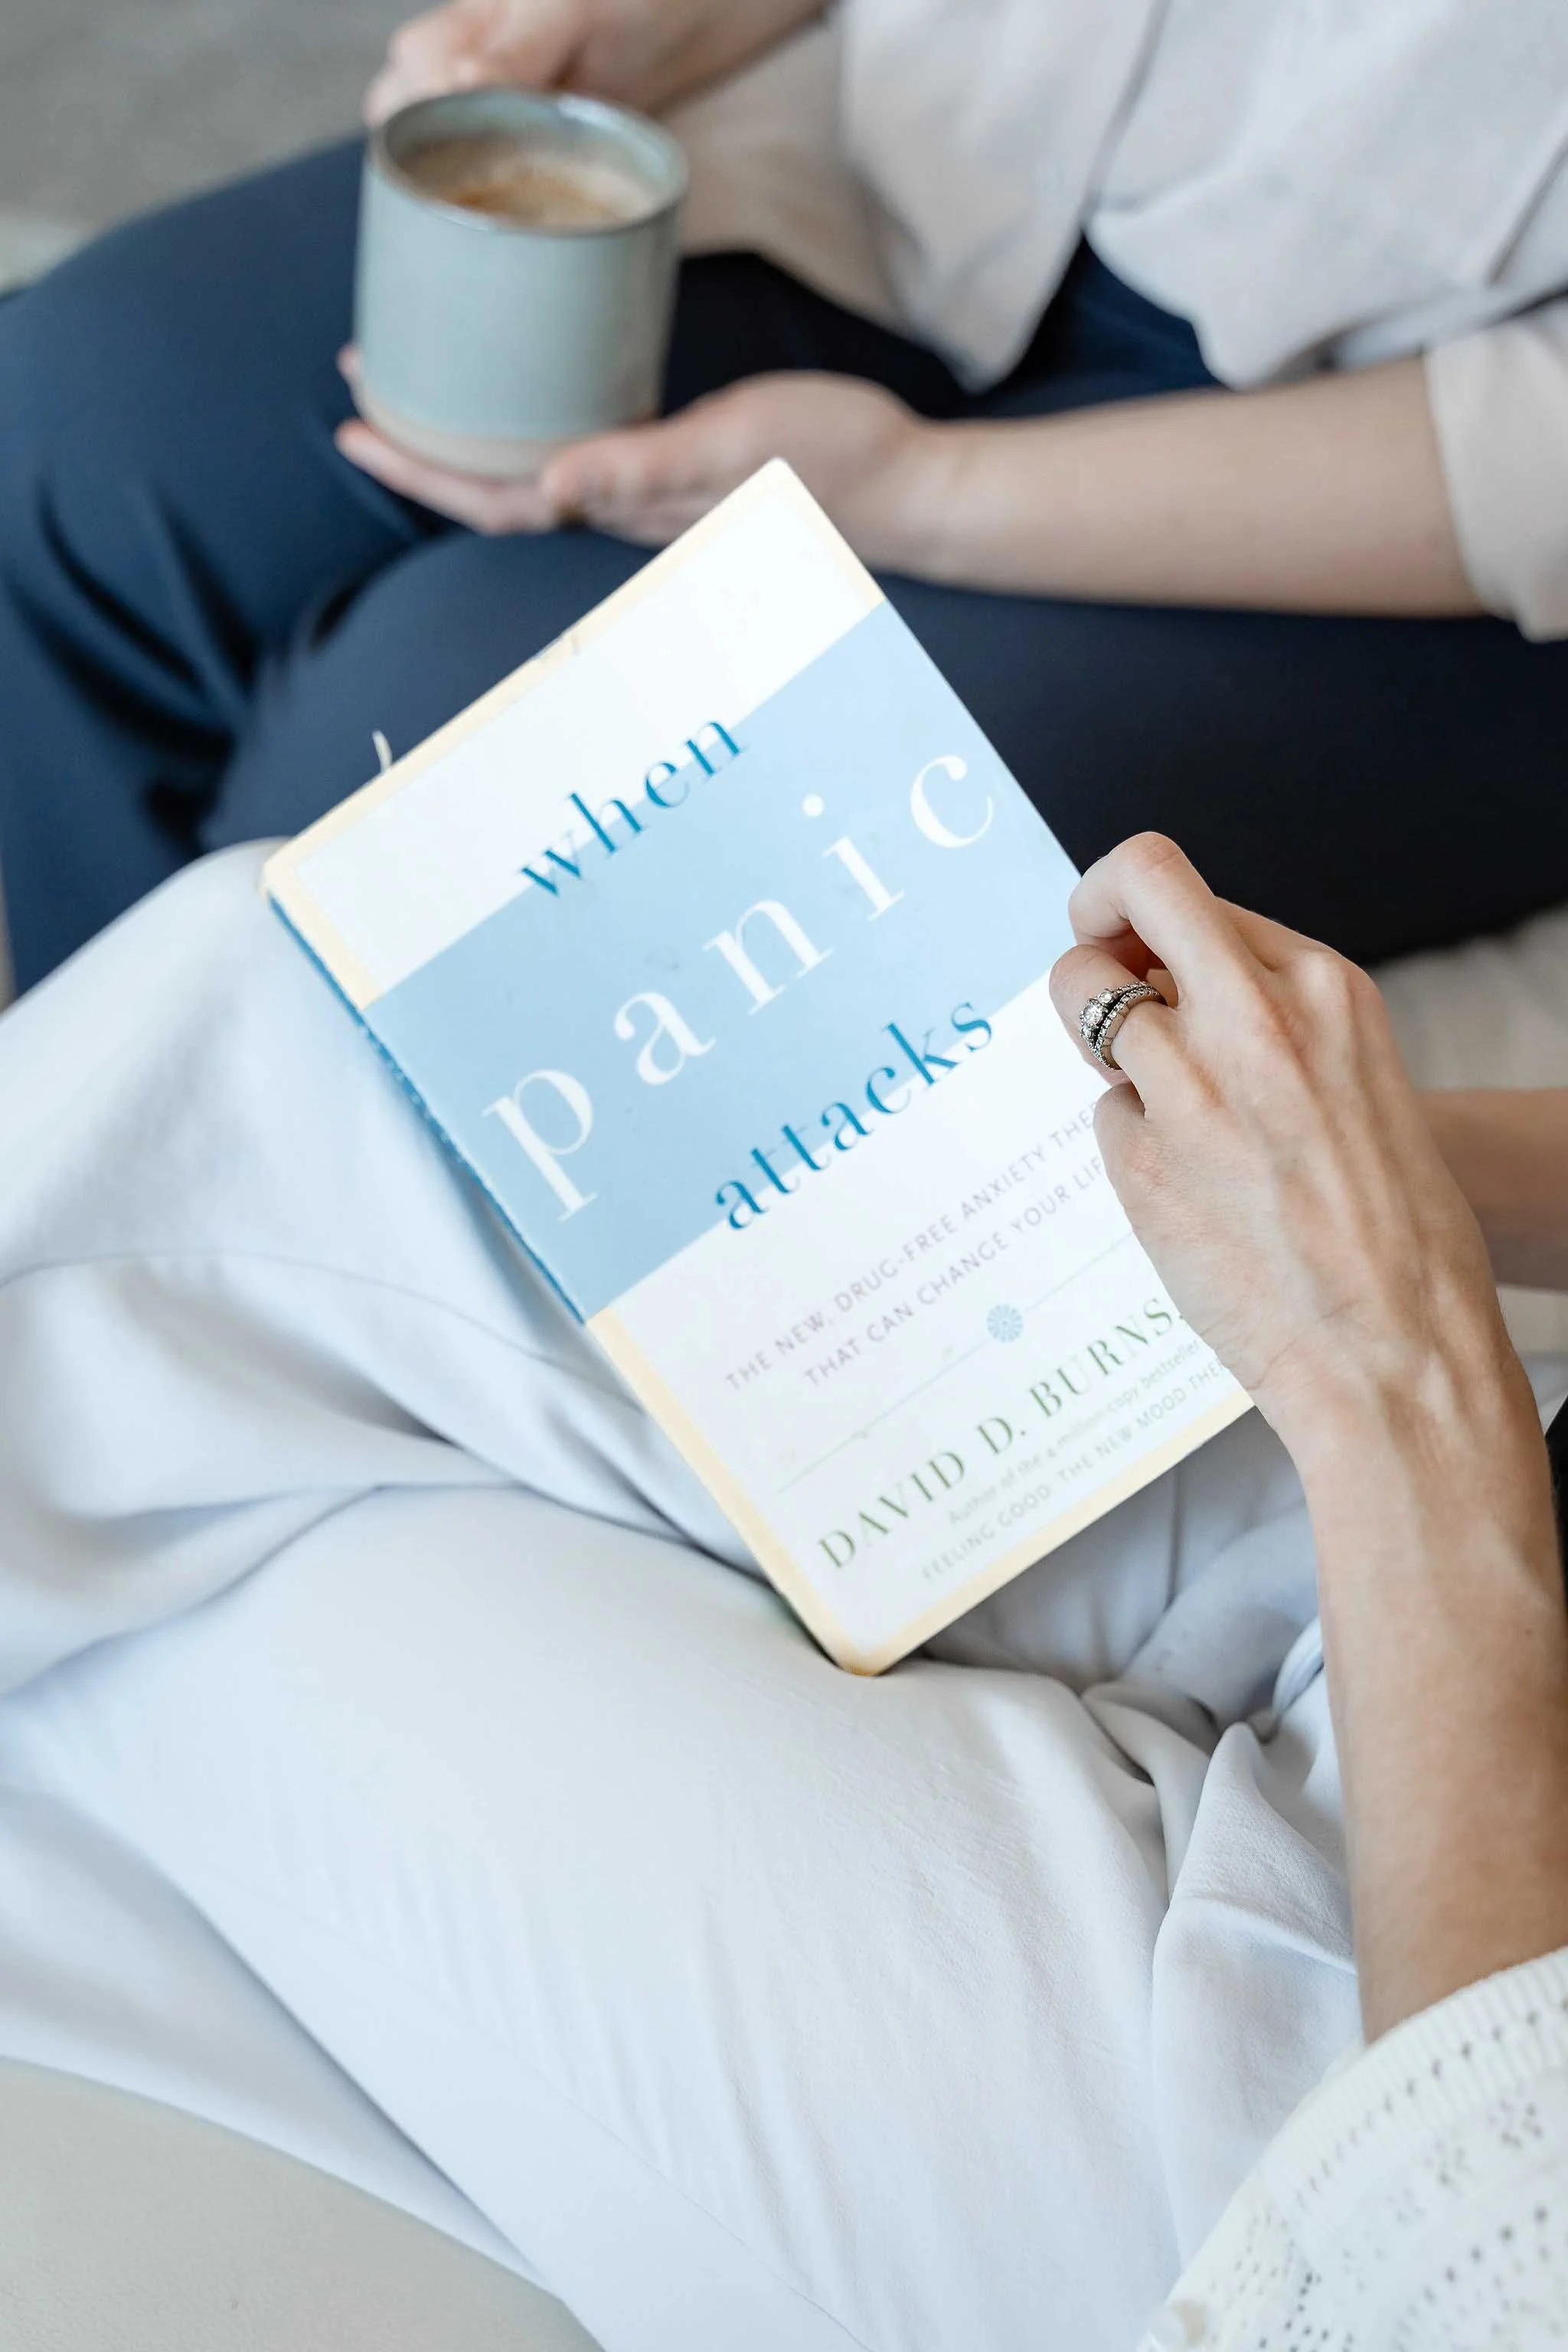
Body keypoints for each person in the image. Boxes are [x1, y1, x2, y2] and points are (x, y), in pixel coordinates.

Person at [2, 828, 1568, 2350]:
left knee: (246, 1604)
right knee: (316, 1058)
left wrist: (1390, 1367)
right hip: (1473, 1495)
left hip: (1398, 2146)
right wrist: (1359, 1181)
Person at [4, 0, 1568, 991]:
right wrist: (649, 29)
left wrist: (921, 493)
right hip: (928, 145)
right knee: (64, 424)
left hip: (1431, 513)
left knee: (417, 779)